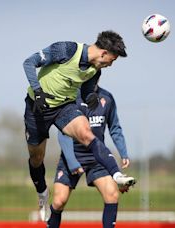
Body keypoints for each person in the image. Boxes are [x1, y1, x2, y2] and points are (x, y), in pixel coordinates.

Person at [23, 30, 134, 221]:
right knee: (36, 158)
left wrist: (91, 97)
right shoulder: (66, 49)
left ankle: (116, 175)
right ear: (103, 53)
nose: (110, 65)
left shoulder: (94, 69)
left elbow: (88, 89)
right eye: (112, 60)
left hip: (64, 108)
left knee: (86, 134)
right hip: (37, 108)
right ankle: (42, 192)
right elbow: (28, 63)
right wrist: (38, 91)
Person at [47, 83, 135, 228]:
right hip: (73, 156)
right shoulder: (71, 97)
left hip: (97, 157)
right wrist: (71, 161)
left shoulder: (107, 98)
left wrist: (123, 152)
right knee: (58, 201)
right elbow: (63, 133)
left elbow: (115, 127)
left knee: (112, 194)